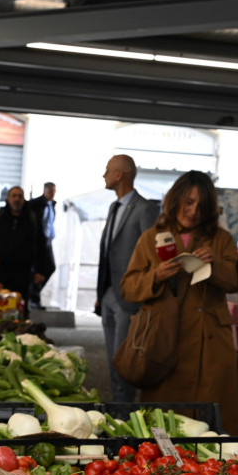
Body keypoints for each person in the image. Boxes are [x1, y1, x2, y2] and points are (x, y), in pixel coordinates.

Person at [121, 171, 238, 434]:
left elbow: (236, 281)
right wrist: (156, 276)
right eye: (188, 202)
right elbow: (128, 287)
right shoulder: (152, 237)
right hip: (164, 343)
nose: (193, 211)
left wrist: (215, 264)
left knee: (212, 425)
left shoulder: (220, 239)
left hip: (210, 348)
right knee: (164, 425)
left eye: (201, 205)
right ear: (175, 200)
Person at [95, 155, 160, 404]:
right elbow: (107, 251)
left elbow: (153, 254)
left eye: (108, 170)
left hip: (130, 298)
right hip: (109, 293)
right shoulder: (114, 207)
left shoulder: (145, 209)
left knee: (125, 360)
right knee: (112, 359)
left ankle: (125, 413)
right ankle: (117, 409)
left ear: (120, 174)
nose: (104, 175)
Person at [0, 186, 49, 306]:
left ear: (24, 199)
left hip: (24, 273)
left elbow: (42, 245)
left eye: (20, 196)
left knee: (20, 307)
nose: (17, 199)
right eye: (14, 196)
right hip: (1, 271)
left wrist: (41, 270)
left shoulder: (32, 218)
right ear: (8, 199)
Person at [27, 182, 58, 308]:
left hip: (47, 241)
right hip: (38, 241)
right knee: (38, 268)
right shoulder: (36, 204)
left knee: (50, 267)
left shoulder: (51, 205)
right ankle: (34, 296)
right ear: (45, 190)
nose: (52, 194)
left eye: (54, 191)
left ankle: (35, 291)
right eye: (50, 191)